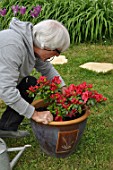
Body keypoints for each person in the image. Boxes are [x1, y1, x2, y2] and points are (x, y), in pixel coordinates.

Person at [0, 17, 70, 138]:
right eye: (53, 55)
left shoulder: (32, 44)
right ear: (45, 46)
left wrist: (63, 88)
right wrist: (35, 114)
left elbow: (47, 69)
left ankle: (5, 129)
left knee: (30, 84)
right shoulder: (13, 46)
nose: (51, 58)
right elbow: (6, 90)